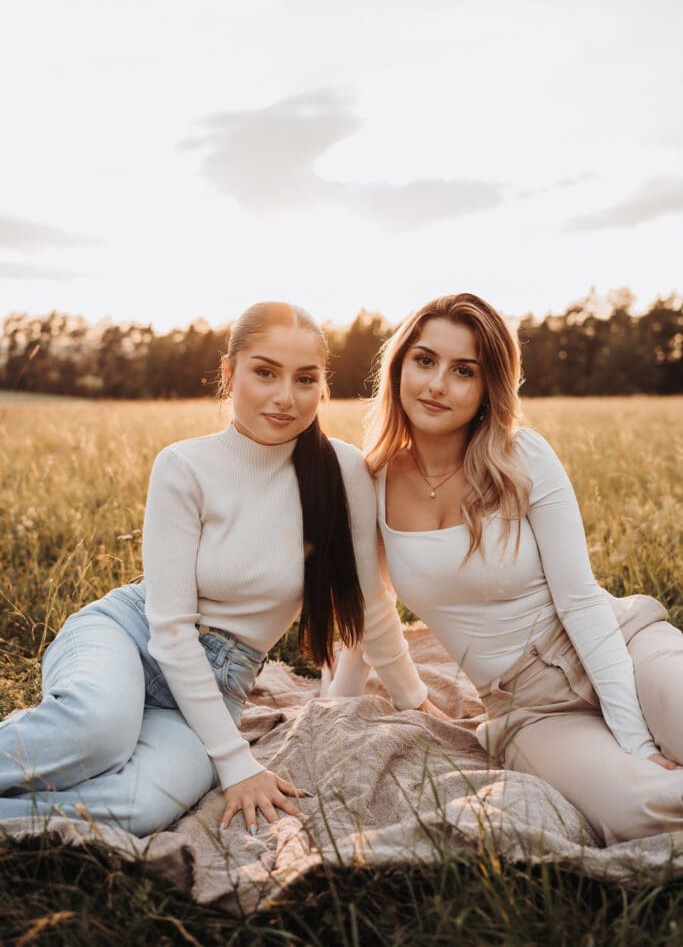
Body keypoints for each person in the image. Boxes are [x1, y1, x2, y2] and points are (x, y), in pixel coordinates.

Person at [0, 301, 440, 838]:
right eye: (265, 372)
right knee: (99, 734)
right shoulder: (184, 466)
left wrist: (415, 701)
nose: (285, 397)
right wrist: (237, 765)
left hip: (223, 685)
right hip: (132, 636)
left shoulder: (343, 471)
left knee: (146, 804)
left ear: (324, 387)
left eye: (306, 379)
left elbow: (369, 603)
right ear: (229, 373)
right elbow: (168, 629)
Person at [329, 293, 683, 845]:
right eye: (424, 360)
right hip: (526, 709)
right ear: (398, 366)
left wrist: (637, 739)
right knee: (646, 808)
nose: (437, 384)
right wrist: (341, 714)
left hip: (618, 644)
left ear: (488, 386)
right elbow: (368, 607)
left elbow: (581, 599)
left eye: (463, 371)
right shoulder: (369, 482)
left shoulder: (524, 456)